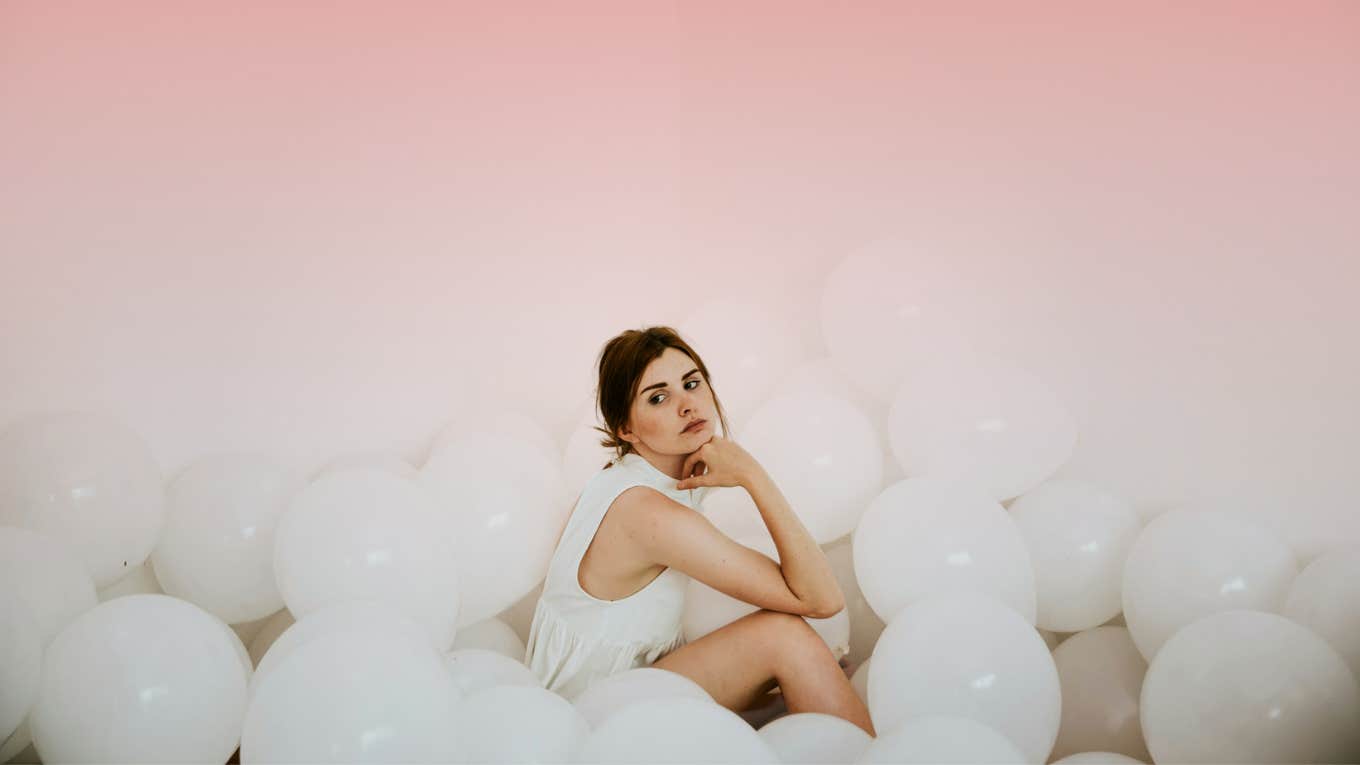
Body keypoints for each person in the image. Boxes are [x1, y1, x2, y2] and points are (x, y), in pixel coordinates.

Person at [524, 326, 875, 736]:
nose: (687, 404)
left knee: (790, 660)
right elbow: (821, 599)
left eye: (692, 383)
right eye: (658, 397)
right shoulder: (649, 513)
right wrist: (752, 475)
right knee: (786, 637)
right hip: (587, 723)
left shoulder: (627, 480)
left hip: (609, 693)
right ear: (626, 430)